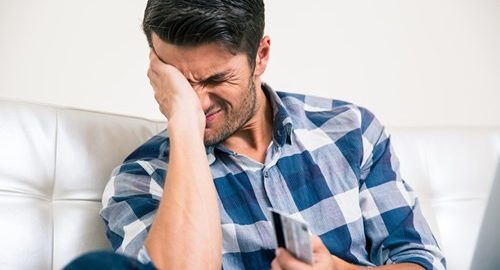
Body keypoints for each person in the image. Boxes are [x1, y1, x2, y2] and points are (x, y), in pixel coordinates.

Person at [92, 0, 447, 269]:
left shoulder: (351, 131)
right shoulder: (141, 180)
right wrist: (183, 124)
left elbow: (419, 259)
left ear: (260, 56)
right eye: (181, 86)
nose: (198, 102)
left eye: (216, 79)